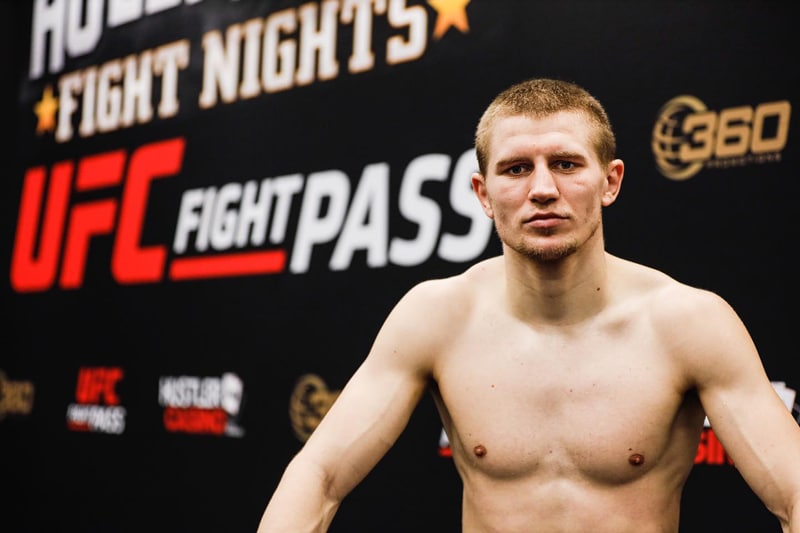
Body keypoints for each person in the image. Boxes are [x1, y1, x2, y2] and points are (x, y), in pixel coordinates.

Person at [256, 78, 800, 532]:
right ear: (483, 194)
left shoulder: (687, 323)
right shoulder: (438, 316)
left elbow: (793, 493)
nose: (542, 188)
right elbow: (319, 474)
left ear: (610, 182)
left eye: (565, 164)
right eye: (516, 168)